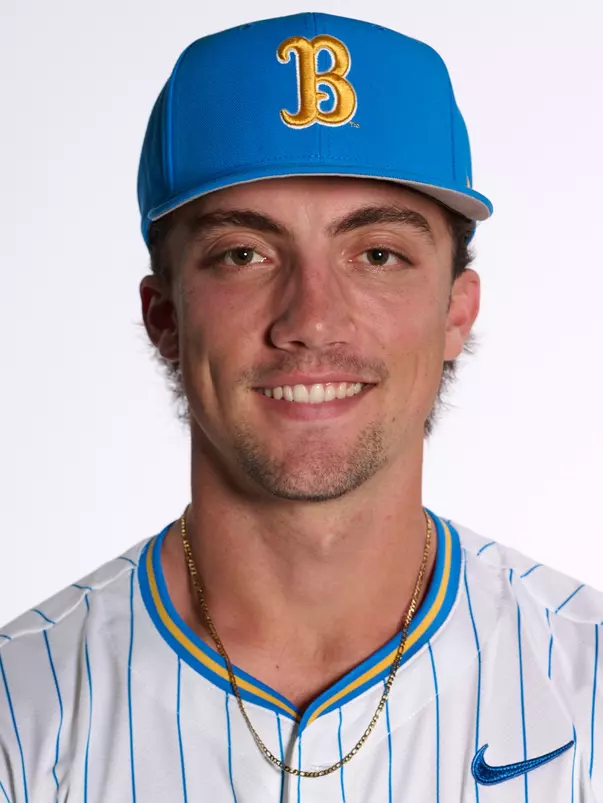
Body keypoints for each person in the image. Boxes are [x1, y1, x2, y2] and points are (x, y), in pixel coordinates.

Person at [0, 11, 600, 802]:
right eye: (243, 255)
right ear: (165, 317)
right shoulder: (21, 715)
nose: (312, 318)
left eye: (377, 253)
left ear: (456, 310)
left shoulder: (585, 688)